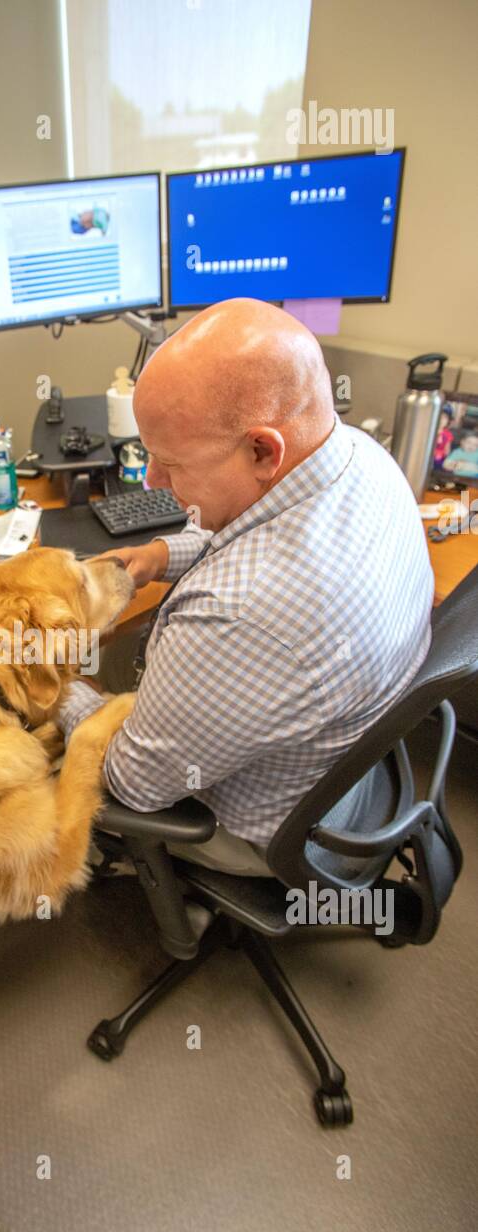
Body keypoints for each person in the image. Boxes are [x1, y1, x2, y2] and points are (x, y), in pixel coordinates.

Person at [58, 297, 435, 875]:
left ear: (262, 449)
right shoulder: (363, 455)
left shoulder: (243, 617)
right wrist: (163, 554)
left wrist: (53, 690)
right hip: (358, 768)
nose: (154, 481)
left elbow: (133, 782)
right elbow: (255, 523)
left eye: (170, 463)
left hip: (274, 834)